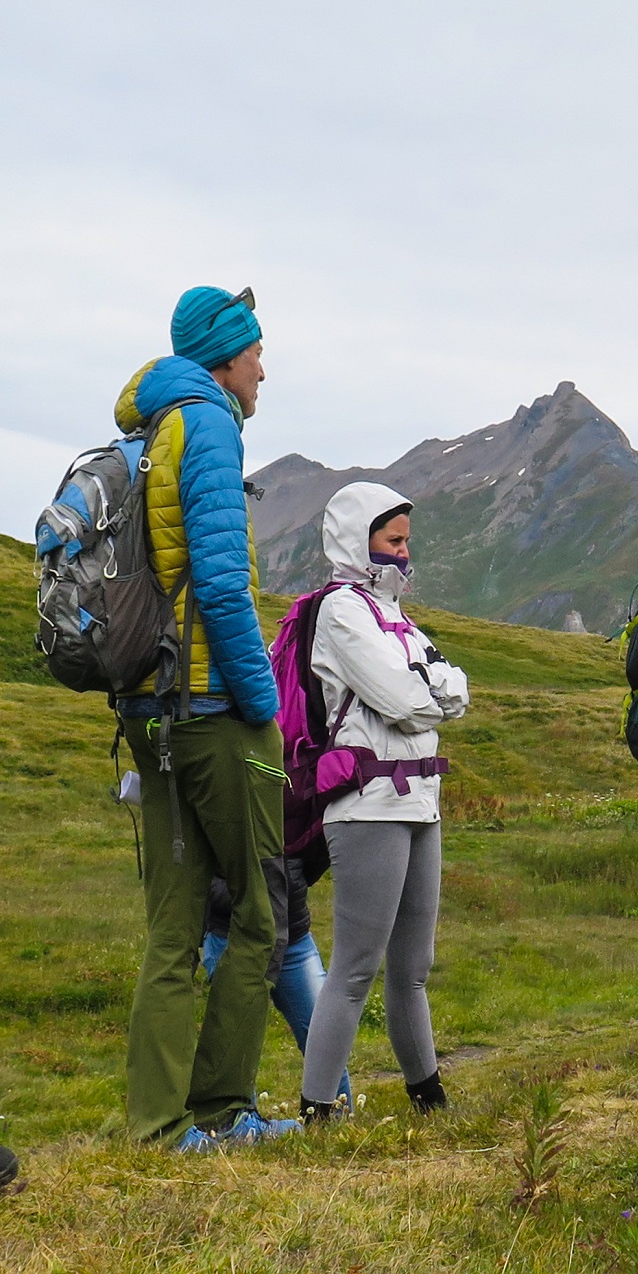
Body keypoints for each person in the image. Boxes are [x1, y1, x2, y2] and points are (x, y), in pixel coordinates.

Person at [116, 286, 296, 1151]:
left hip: (149, 704)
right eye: (256, 349)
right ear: (225, 354)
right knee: (262, 907)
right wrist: (264, 704)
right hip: (214, 705)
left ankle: (158, 1125)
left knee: (173, 926)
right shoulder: (211, 423)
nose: (264, 365)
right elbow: (223, 585)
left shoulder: (150, 426)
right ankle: (225, 1110)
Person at [299, 483, 469, 1121]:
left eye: (405, 540)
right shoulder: (343, 612)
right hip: (368, 805)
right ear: (357, 541)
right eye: (392, 540)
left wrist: (429, 692)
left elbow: (452, 689)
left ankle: (429, 1097)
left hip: (421, 800)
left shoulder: (395, 614)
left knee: (413, 966)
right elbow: (409, 701)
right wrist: (431, 693)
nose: (404, 552)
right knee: (355, 969)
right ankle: (318, 1107)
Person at [202, 863, 349, 1104]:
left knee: (324, 1036)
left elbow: (315, 834)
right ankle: (235, 1125)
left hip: (293, 933)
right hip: (229, 933)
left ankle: (339, 1122)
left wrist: (293, 876)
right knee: (233, 1044)